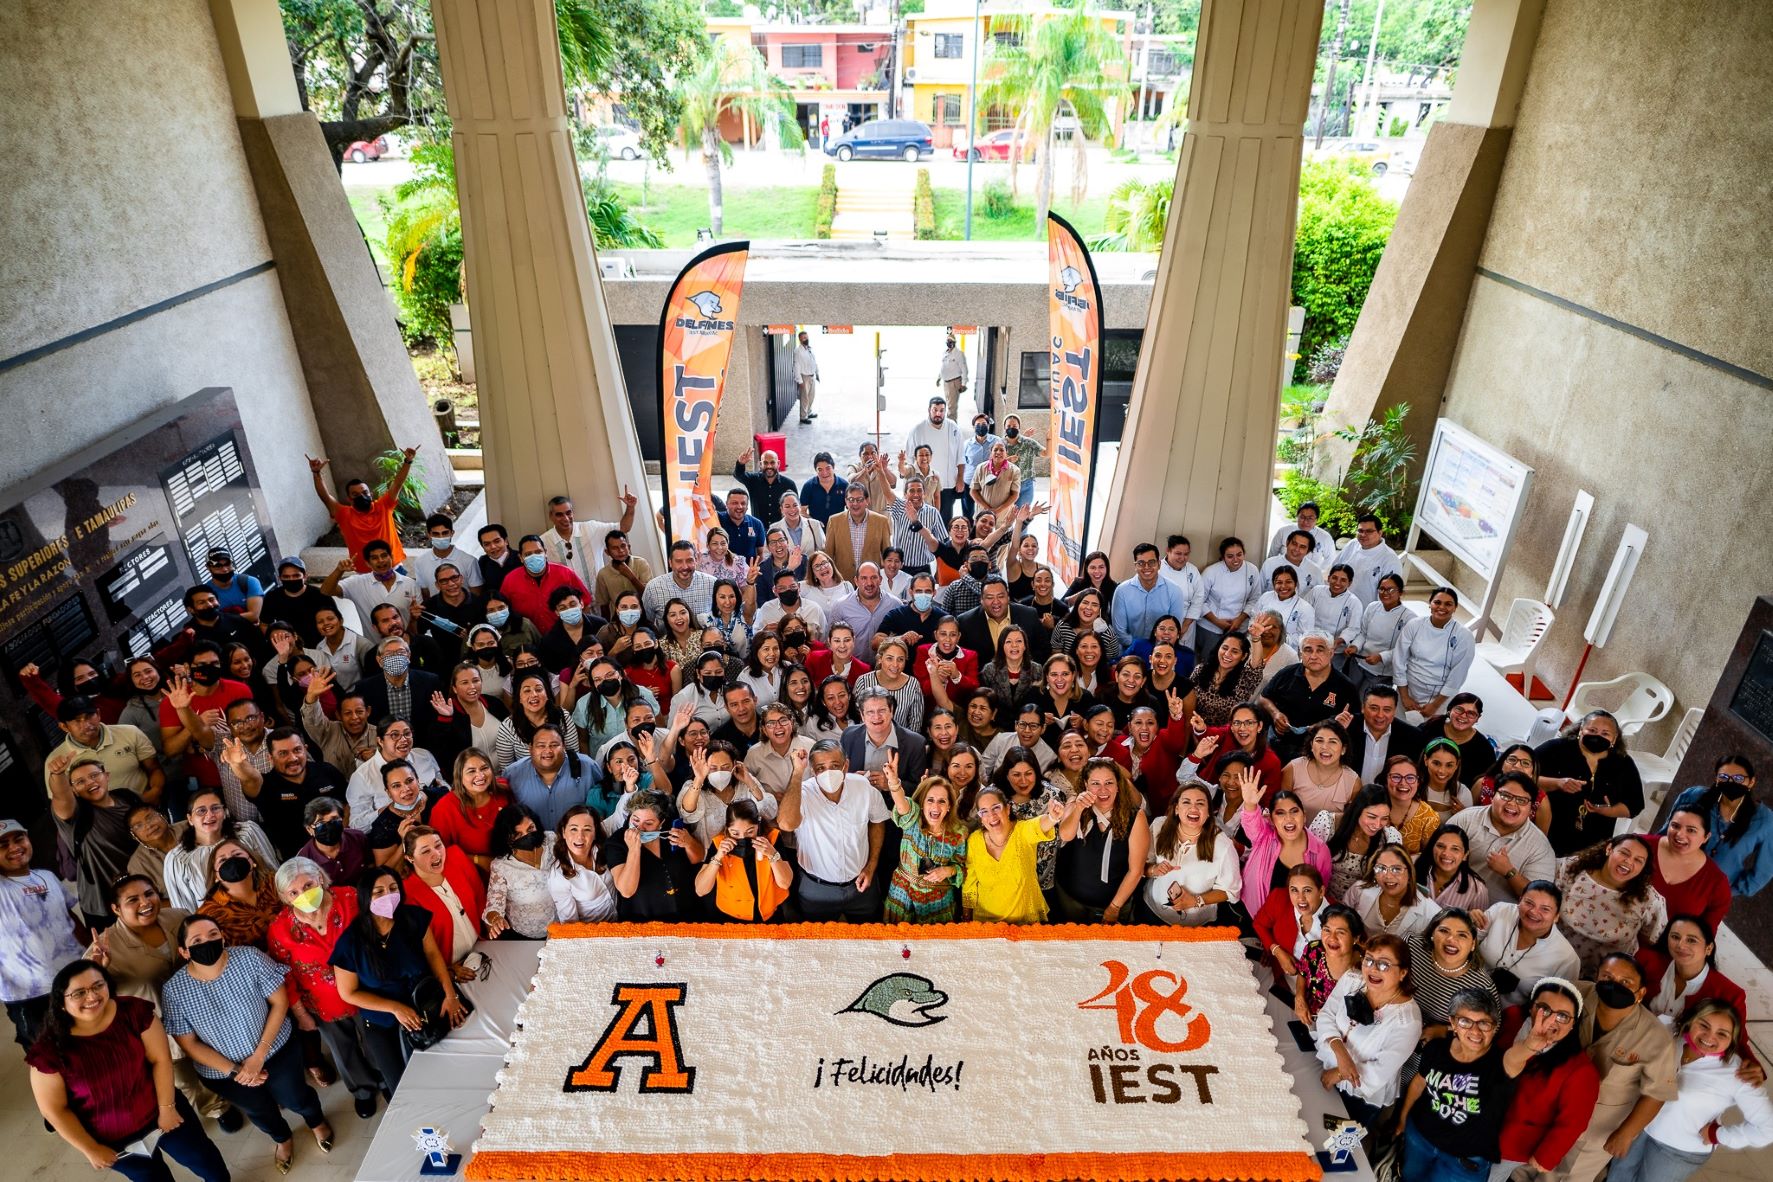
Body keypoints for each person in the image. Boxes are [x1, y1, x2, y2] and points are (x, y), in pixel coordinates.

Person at [28, 958, 231, 1182]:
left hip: (163, 1109)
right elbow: (55, 1110)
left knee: (203, 1159)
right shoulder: (49, 1052)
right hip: (113, 1138)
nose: (92, 997)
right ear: (61, 1003)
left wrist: (167, 1109)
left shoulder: (133, 1011)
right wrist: (90, 1148)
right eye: (78, 993)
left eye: (98, 985)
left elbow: (160, 1060)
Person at [160, 916, 333, 1171]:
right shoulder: (174, 991)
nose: (207, 942)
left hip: (276, 1050)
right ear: (184, 951)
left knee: (296, 1097)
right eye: (196, 940)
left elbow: (279, 1002)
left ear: (223, 937)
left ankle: (317, 1122)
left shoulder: (249, 958)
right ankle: (282, 1139)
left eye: (213, 935)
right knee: (260, 1111)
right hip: (224, 1073)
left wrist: (259, 1056)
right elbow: (190, 1044)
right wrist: (237, 1070)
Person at [264, 858, 386, 1120]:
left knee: (377, 1042)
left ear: (320, 878)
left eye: (308, 885)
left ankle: (385, 1080)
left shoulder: (351, 898)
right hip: (323, 1005)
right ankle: (363, 1091)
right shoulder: (280, 930)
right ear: (285, 897)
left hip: (368, 993)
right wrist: (301, 1014)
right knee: (344, 1050)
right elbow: (284, 976)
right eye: (294, 892)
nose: (303, 895)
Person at [329, 866, 467, 1095]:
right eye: (379, 891)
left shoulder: (413, 918)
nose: (388, 896)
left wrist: (450, 994)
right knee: (400, 1085)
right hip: (382, 1020)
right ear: (365, 897)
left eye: (393, 889)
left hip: (424, 1004)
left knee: (443, 1072)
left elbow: (433, 955)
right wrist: (395, 1008)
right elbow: (348, 993)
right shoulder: (350, 942)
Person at [1609, 998, 1773, 1182]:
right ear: (1691, 1021)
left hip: (1678, 1151)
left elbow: (1767, 1129)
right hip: (1640, 1129)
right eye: (1704, 1025)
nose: (1710, 1037)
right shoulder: (1671, 1039)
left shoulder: (1738, 1073)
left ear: (1732, 1040)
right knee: (1616, 1177)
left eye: (1722, 1034)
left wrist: (1718, 1134)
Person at [1559, 953, 1681, 1182]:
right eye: (1607, 976)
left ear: (1641, 993)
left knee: (1570, 1175)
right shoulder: (1573, 995)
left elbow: (1656, 1094)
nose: (1614, 985)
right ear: (1597, 977)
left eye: (1626, 982)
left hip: (1594, 1129)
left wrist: (1626, 1134)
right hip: (1551, 1110)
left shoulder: (1655, 1038)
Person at [1395, 989, 1518, 1181]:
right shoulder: (1436, 1049)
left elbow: (1522, 1054)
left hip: (1463, 1160)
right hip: (1420, 1138)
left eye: (1484, 1023)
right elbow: (1420, 1083)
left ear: (1494, 1027)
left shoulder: (1503, 1064)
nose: (1475, 1031)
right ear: (1453, 1023)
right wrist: (1403, 1120)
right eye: (1465, 1022)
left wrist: (1534, 1043)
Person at [1491, 976, 1600, 1180]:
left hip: (1509, 1142)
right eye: (1544, 1009)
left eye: (1563, 1016)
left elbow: (1573, 1121)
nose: (1551, 1021)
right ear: (1532, 1007)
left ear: (1573, 1024)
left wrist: (1546, 1156)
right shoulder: (1512, 1019)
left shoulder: (1580, 1070)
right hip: (1474, 1120)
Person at [1314, 932, 1422, 1127]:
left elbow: (1380, 1071)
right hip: (1327, 1064)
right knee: (1311, 1124)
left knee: (1336, 1150)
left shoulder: (1408, 1021)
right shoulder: (1352, 980)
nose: (1373, 969)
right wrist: (1340, 1054)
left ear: (1403, 972)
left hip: (1361, 1095)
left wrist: (1339, 1073)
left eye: (1384, 964)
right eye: (1369, 960)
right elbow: (1326, 1015)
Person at [779, 741, 889, 921]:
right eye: (821, 768)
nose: (828, 773)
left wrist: (871, 866)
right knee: (816, 942)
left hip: (861, 886)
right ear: (813, 771)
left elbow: (877, 821)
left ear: (846, 766)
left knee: (870, 936)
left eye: (835, 766)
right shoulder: (803, 793)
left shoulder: (863, 787)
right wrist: (798, 773)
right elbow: (786, 824)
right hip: (816, 889)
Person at [1054, 759, 1151, 923]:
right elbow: (1065, 835)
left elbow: (1136, 870)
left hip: (1113, 905)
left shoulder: (1136, 817)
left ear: (1118, 785)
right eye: (1095, 783)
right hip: (1070, 899)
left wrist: (1114, 907)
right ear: (1086, 784)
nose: (1103, 790)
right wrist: (1078, 808)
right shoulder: (1075, 803)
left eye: (1109, 783)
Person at [1556, 834, 1667, 974]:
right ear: (1609, 849)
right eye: (1624, 853)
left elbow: (1650, 939)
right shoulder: (1572, 868)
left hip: (1602, 978)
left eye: (1638, 860)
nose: (1629, 861)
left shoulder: (1650, 901)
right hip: (1552, 957)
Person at [1666, 755, 1773, 899]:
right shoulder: (1693, 797)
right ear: (1716, 778)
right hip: (1670, 876)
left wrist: (1726, 893)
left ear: (1751, 782)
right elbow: (1664, 835)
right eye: (1723, 777)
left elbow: (1763, 871)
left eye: (1739, 779)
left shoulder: (1765, 820)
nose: (1731, 782)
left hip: (1708, 895)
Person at [1538, 709, 1642, 856]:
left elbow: (1635, 805)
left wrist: (1608, 810)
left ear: (1614, 738)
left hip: (1594, 842)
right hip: (1549, 831)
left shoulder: (1623, 763)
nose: (1597, 736)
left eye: (1605, 734)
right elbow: (1521, 777)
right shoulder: (1556, 748)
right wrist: (1557, 783)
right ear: (1581, 729)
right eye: (1592, 730)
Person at [962, 787, 1069, 924]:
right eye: (984, 811)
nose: (992, 816)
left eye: (996, 808)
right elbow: (969, 884)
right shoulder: (974, 840)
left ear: (1007, 809)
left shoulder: (1023, 831)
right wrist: (966, 918)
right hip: (986, 924)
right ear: (981, 818)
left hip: (1025, 922)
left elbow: (1039, 825)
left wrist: (1053, 817)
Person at [161, 790, 279, 912]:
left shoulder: (248, 832)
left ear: (225, 812)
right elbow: (184, 910)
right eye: (201, 811)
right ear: (190, 819)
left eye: (215, 808)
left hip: (269, 909)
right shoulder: (178, 859)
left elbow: (275, 874)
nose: (209, 815)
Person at [1141, 782, 1240, 925]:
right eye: (1186, 802)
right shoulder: (1158, 826)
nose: (1193, 808)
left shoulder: (1223, 845)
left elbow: (1230, 891)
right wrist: (1153, 869)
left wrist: (1195, 901)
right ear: (1176, 808)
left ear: (1208, 812)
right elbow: (1141, 865)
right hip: (1152, 911)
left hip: (1196, 924)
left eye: (1200, 804)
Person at [881, 762, 969, 923]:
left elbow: (962, 867)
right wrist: (894, 782)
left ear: (949, 806)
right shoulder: (913, 820)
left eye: (942, 801)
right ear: (922, 804)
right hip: (902, 895)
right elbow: (902, 806)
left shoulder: (958, 833)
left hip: (938, 902)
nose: (935, 806)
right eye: (930, 800)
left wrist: (948, 871)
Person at [1450, 773, 1559, 902]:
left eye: (1521, 800)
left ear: (1531, 808)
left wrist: (1509, 872)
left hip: (1500, 917)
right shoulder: (1465, 819)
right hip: (1452, 902)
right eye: (1506, 796)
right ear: (1493, 796)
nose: (1512, 803)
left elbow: (1538, 898)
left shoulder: (1541, 847)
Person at [1636, 914, 1755, 1033]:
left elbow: (1736, 1042)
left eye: (1691, 940)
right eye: (1675, 937)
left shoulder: (1730, 994)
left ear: (1708, 948)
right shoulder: (1645, 961)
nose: (1681, 945)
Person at [1473, 881, 1582, 1008]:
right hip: (1467, 989)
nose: (1534, 912)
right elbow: (1469, 943)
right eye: (1529, 903)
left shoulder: (1567, 958)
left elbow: (1558, 1003)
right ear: (1520, 901)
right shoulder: (1500, 911)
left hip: (1512, 1016)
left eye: (1545, 909)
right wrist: (1470, 922)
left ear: (1556, 916)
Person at [308, 447, 416, 572]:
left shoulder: (384, 506)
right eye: (355, 494)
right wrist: (316, 474)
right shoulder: (344, 514)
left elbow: (397, 484)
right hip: (365, 573)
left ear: (370, 493)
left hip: (393, 567)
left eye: (364, 492)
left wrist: (407, 462)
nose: (361, 496)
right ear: (349, 498)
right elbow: (325, 497)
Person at [605, 791, 703, 920]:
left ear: (661, 822)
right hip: (642, 921)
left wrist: (689, 843)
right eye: (635, 820)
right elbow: (626, 891)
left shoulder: (671, 831)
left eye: (649, 823)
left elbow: (698, 858)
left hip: (685, 915)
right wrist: (634, 849)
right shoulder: (616, 842)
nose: (640, 828)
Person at [694, 799, 792, 923]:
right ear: (727, 828)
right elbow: (701, 890)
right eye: (735, 833)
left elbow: (785, 883)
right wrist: (718, 857)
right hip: (731, 917)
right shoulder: (718, 843)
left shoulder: (772, 838)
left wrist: (772, 854)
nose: (742, 838)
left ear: (758, 824)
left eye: (750, 831)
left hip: (770, 915)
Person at [401, 827, 486, 966]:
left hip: (482, 948)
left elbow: (479, 893)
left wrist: (490, 932)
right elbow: (416, 946)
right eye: (426, 851)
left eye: (438, 845)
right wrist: (448, 971)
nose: (436, 854)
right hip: (452, 966)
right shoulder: (407, 892)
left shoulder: (456, 857)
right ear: (410, 858)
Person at [1642, 805, 1731, 933]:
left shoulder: (1716, 882)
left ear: (1706, 837)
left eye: (1691, 830)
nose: (1680, 834)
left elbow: (1705, 935)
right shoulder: (1641, 845)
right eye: (1675, 826)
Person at [1392, 587, 1476, 722]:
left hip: (1439, 696)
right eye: (1437, 602)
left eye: (1448, 604)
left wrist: (1435, 705)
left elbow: (1457, 674)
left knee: (1427, 734)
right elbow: (1399, 660)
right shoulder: (1414, 625)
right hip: (1408, 689)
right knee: (1399, 728)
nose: (1441, 607)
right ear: (1430, 604)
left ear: (1455, 608)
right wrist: (1405, 696)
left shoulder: (1464, 636)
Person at [1310, 784, 1405, 900]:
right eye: (1372, 817)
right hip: (1322, 898)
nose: (1377, 824)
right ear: (1357, 810)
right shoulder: (1327, 823)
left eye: (1384, 818)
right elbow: (1309, 867)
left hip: (1362, 905)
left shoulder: (1390, 838)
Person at [482, 805, 558, 939]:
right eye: (518, 835)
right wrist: (496, 920)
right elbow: (493, 906)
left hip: (561, 927)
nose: (527, 836)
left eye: (531, 828)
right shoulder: (501, 866)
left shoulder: (551, 841)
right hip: (525, 936)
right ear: (507, 839)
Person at [541, 490, 639, 591]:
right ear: (550, 516)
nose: (565, 518)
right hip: (570, 603)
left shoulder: (591, 528)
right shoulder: (543, 542)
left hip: (601, 598)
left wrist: (630, 507)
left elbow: (623, 528)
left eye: (568, 513)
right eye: (559, 515)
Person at [195, 840, 280, 949]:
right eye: (223, 860)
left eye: (237, 854)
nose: (232, 861)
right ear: (216, 876)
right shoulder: (208, 914)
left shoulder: (276, 881)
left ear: (252, 861)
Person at [1254, 862, 1327, 982]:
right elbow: (1259, 924)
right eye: (1294, 890)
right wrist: (1276, 950)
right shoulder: (1279, 898)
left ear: (1321, 891)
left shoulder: (1338, 916)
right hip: (1280, 978)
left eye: (1307, 890)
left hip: (1316, 989)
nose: (1300, 898)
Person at [1293, 902, 1364, 1024]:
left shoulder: (1365, 968)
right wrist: (1299, 997)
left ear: (1355, 938)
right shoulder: (1314, 950)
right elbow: (1303, 972)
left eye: (1340, 932)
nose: (1332, 938)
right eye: (1327, 930)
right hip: (1310, 1020)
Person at [1349, 843, 1440, 938]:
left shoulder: (1432, 914)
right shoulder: (1358, 890)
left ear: (1409, 873)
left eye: (1396, 869)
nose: (1388, 876)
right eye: (1381, 868)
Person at [548, 805, 619, 923]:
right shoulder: (558, 876)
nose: (580, 836)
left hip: (621, 925)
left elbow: (620, 815)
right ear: (563, 832)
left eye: (587, 829)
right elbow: (570, 924)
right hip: (590, 934)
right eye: (573, 829)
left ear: (595, 832)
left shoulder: (604, 850)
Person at [1281, 721, 1360, 824]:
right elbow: (1279, 808)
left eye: (1332, 741)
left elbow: (1352, 821)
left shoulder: (1353, 782)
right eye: (1319, 740)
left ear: (1343, 749)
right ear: (1311, 745)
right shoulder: (1293, 768)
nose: (1325, 747)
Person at [1339, 572, 1407, 688]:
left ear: (1400, 592)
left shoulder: (1409, 618)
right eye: (1381, 589)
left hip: (1381, 672)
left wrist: (1381, 657)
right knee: (1349, 697)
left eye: (1390, 590)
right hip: (1359, 662)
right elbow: (1363, 634)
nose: (1385, 593)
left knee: (1368, 703)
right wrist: (1355, 646)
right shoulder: (1372, 607)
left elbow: (1403, 650)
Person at [904, 397, 964, 520]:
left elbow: (960, 456)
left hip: (947, 484)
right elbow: (909, 459)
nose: (938, 414)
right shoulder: (917, 430)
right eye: (935, 410)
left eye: (942, 410)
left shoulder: (953, 428)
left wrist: (960, 479)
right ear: (929, 410)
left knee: (945, 518)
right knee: (923, 518)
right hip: (925, 484)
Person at [295, 798, 371, 889]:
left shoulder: (357, 838)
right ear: (309, 829)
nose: (329, 826)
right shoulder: (303, 860)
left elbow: (371, 866)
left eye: (334, 819)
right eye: (320, 823)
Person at [1414, 822, 1489, 909]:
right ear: (1432, 848)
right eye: (1441, 846)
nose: (1446, 853)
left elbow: (1478, 922)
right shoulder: (1411, 865)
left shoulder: (1478, 890)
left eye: (1455, 849)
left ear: (1465, 855)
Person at [1382, 755, 1443, 857]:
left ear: (1418, 782)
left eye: (1410, 778)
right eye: (1396, 777)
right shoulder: (1371, 805)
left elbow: (1429, 856)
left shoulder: (1428, 817)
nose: (1403, 783)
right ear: (1385, 780)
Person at [935, 331, 968, 413]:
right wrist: (939, 378)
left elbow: (964, 369)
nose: (949, 343)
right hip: (946, 383)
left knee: (951, 407)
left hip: (954, 383)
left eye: (951, 342)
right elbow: (943, 367)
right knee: (948, 404)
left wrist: (963, 384)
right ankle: (949, 423)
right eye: (948, 342)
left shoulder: (958, 354)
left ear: (954, 343)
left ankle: (951, 424)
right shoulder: (945, 353)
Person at [792, 329, 820, 422]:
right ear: (800, 339)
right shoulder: (798, 351)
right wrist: (799, 381)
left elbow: (814, 361)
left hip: (812, 376)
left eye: (807, 337)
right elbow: (796, 366)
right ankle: (803, 417)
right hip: (804, 377)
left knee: (811, 396)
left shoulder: (809, 348)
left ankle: (808, 412)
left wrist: (817, 373)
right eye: (804, 338)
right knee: (805, 398)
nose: (806, 339)